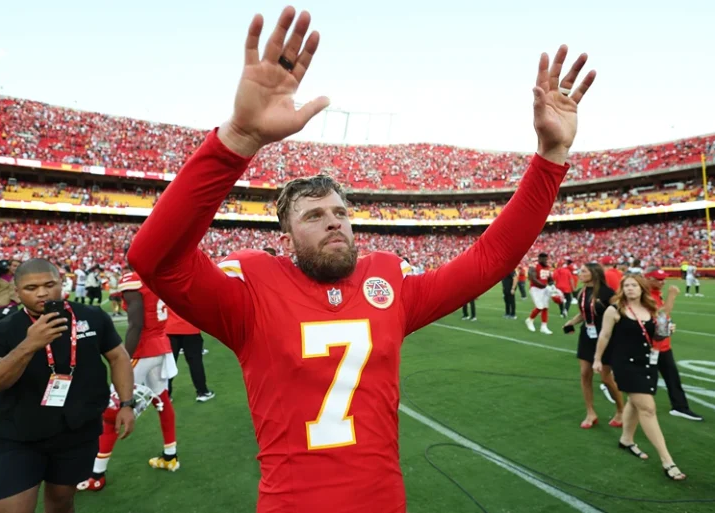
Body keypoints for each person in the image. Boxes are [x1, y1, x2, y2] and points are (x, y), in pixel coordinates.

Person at [126, 7, 596, 512]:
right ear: (286, 236)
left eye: (340, 212)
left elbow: (492, 257)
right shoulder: (252, 296)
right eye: (313, 216)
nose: (333, 222)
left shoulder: (389, 284)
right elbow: (154, 258)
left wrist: (550, 157)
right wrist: (237, 140)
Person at [0, 258, 135, 513]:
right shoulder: (0, 332)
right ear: (16, 291)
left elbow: (118, 356)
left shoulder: (91, 316)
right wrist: (29, 345)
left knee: (61, 503)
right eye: (31, 288)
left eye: (49, 284)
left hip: (78, 431)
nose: (43, 293)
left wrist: (126, 403)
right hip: (20, 435)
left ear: (61, 283)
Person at [77, 267, 180, 492]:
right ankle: (170, 455)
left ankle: (97, 474)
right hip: (161, 347)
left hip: (143, 350)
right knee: (162, 400)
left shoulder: (133, 280)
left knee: (112, 412)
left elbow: (136, 323)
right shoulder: (156, 275)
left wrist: (124, 357)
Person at [593, 275, 686, 481]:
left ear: (642, 288)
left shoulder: (651, 309)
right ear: (622, 289)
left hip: (647, 363)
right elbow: (605, 335)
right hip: (625, 365)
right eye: (626, 285)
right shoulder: (614, 310)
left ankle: (626, 440)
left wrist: (667, 330)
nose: (630, 288)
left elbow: (656, 334)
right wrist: (598, 359)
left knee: (634, 404)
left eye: (634, 285)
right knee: (647, 408)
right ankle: (667, 461)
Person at [563, 263, 623, 428]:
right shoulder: (582, 291)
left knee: (605, 377)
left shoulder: (608, 292)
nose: (579, 273)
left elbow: (619, 312)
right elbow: (585, 313)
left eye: (583, 271)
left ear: (594, 274)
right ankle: (590, 412)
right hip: (587, 337)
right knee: (585, 374)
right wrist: (571, 322)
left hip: (606, 337)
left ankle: (620, 410)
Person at [644, 267, 702, 421]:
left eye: (663, 279)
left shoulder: (656, 293)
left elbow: (662, 318)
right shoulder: (644, 295)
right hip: (649, 347)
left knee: (672, 377)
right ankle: (636, 410)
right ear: (648, 278)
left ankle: (680, 407)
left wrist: (668, 325)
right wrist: (672, 296)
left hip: (662, 345)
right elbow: (660, 313)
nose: (662, 282)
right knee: (648, 382)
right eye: (658, 279)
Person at [166, 306, 215, 403]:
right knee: (195, 362)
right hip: (190, 328)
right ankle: (202, 392)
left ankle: (165, 395)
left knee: (169, 363)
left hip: (169, 328)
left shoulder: (165, 290)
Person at [526, 252, 554, 334]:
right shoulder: (534, 266)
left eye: (546, 259)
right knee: (539, 307)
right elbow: (533, 279)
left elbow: (550, 279)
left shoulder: (547, 267)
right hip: (535, 288)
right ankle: (530, 320)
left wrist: (552, 285)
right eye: (544, 259)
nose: (545, 260)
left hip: (544, 288)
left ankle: (544, 326)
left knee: (545, 307)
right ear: (539, 259)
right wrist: (545, 286)